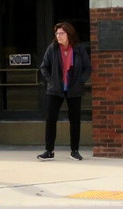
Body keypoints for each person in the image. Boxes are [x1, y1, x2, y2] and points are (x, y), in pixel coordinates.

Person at [37, 21, 91, 160]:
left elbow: (87, 67)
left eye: (61, 33)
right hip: (56, 89)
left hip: (74, 89)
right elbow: (44, 67)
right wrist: (52, 80)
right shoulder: (52, 48)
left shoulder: (78, 49)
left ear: (69, 34)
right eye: (57, 33)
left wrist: (80, 82)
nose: (58, 36)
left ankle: (75, 151)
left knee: (75, 120)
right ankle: (49, 151)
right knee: (51, 119)